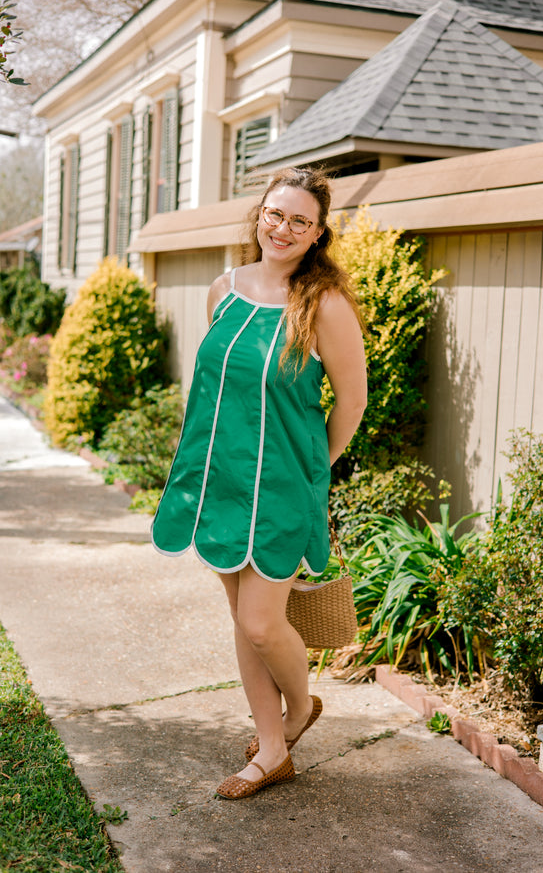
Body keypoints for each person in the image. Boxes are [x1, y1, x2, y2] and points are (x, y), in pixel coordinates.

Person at [152, 166, 367, 799]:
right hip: (220, 482)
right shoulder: (224, 289)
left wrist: (312, 471)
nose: (284, 228)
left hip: (281, 489)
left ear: (318, 233)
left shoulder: (324, 304)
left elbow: (352, 402)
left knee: (262, 624)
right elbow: (219, 390)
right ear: (260, 215)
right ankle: (272, 750)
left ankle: (298, 711)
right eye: (276, 214)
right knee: (242, 619)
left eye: (301, 220)